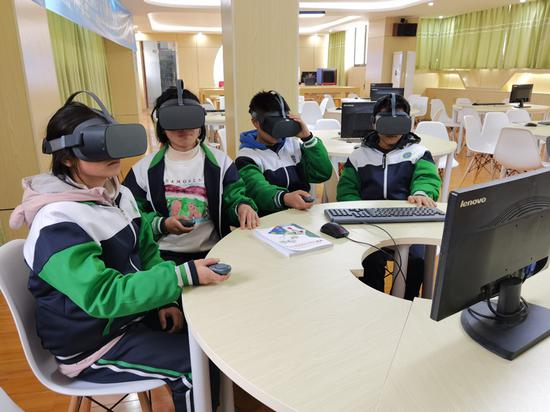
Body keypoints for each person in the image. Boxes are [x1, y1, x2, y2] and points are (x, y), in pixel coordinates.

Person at [10, 95, 226, 412]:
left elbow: (147, 251)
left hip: (127, 317)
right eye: (98, 145)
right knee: (196, 363)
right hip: (92, 343)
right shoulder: (57, 222)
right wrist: (181, 276)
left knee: (212, 331)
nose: (112, 154)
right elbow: (103, 296)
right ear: (67, 157)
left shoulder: (118, 193)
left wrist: (163, 300)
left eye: (113, 140)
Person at [124, 85, 259, 265]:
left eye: (190, 118)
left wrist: (242, 206)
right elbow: (130, 214)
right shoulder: (142, 170)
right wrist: (162, 224)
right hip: (163, 256)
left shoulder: (221, 163)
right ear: (162, 125)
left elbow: (234, 196)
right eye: (173, 120)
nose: (183, 127)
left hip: (214, 250)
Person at [336, 94, 441, 300]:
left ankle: (405, 303)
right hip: (370, 225)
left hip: (408, 223)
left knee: (416, 262)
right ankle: (373, 303)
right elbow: (346, 190)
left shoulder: (419, 153)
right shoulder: (359, 156)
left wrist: (421, 192)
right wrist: (356, 211)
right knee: (370, 262)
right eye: (386, 122)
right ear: (374, 123)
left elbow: (427, 178)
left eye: (399, 122)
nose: (392, 130)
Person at [235, 90, 333, 216]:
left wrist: (308, 139)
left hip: (302, 215)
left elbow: (322, 174)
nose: (277, 132)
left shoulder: (293, 145)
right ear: (255, 122)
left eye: (281, 123)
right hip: (270, 219)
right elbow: (258, 190)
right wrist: (285, 198)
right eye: (271, 125)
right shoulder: (247, 157)